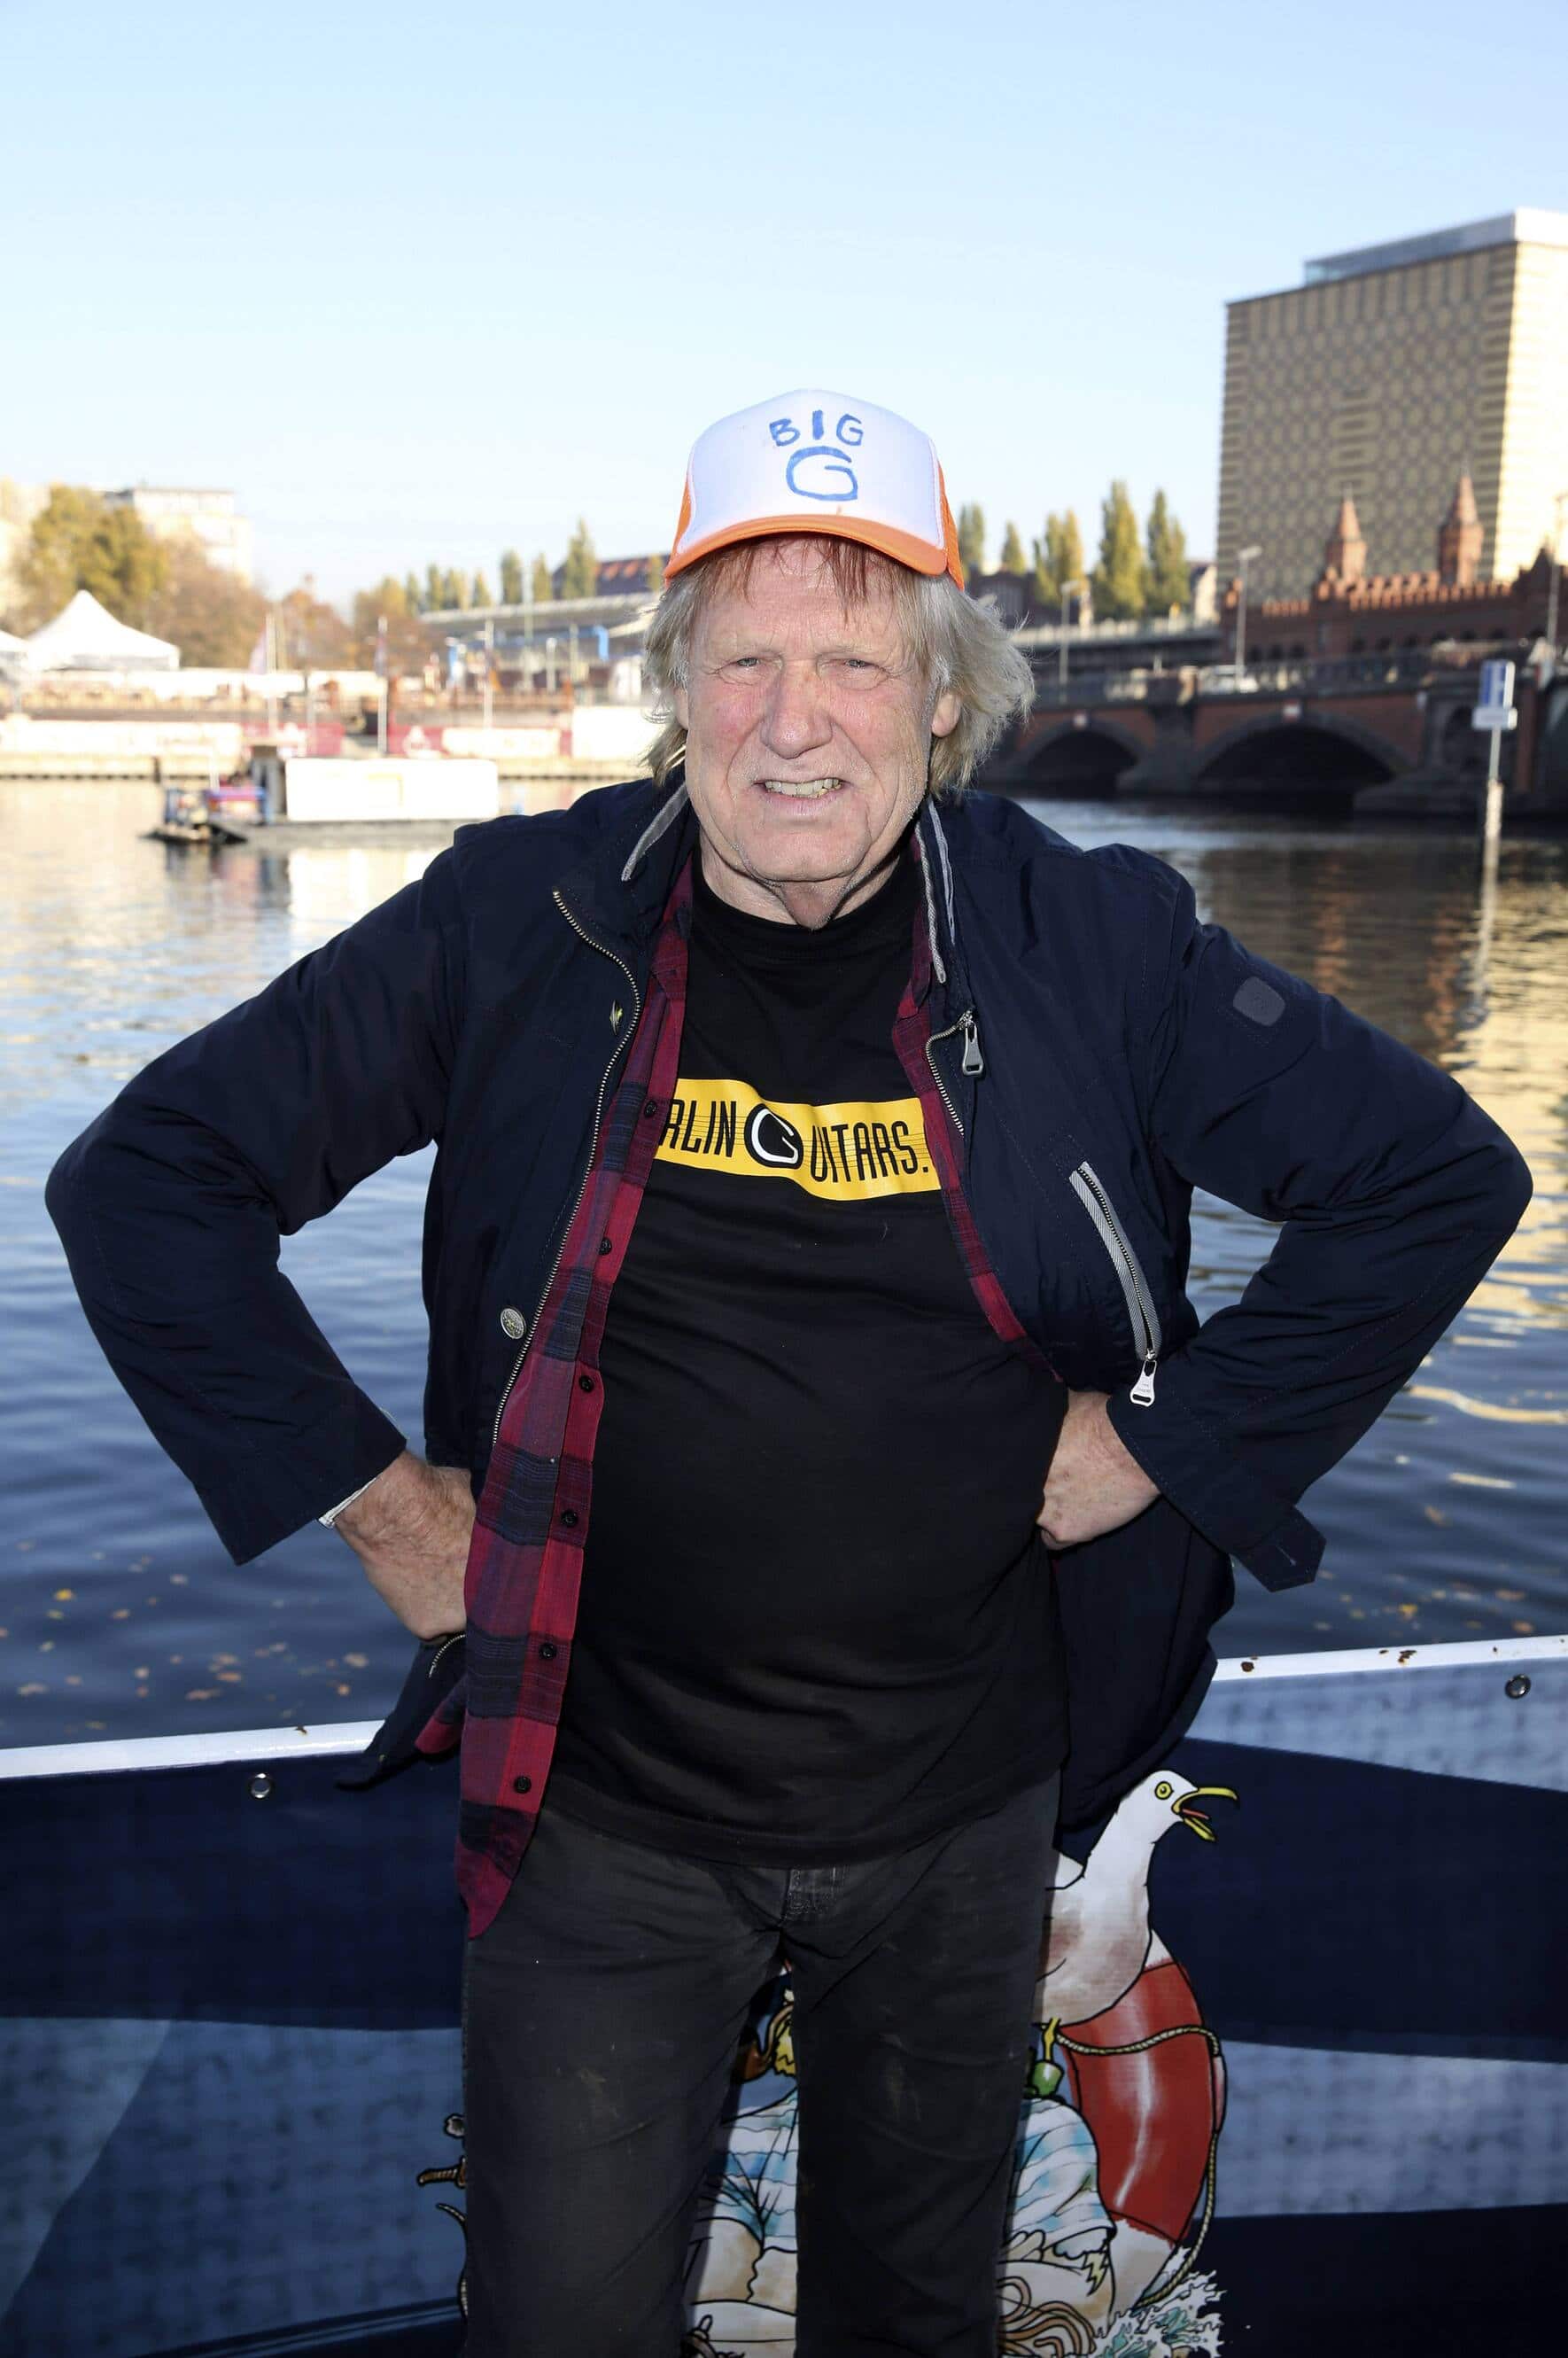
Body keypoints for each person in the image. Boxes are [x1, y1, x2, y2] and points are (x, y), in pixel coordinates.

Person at [45, 389, 1532, 2358]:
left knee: (913, 2324)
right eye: (743, 655)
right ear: (678, 690)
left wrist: (1173, 1435)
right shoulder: (522, 916)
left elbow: (1436, 1175)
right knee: (559, 2323)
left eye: (856, 654)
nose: (796, 712)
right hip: (598, 1808)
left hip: (970, 1804)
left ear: (945, 696)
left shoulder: (1089, 938)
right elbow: (146, 1176)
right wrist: (390, 1508)